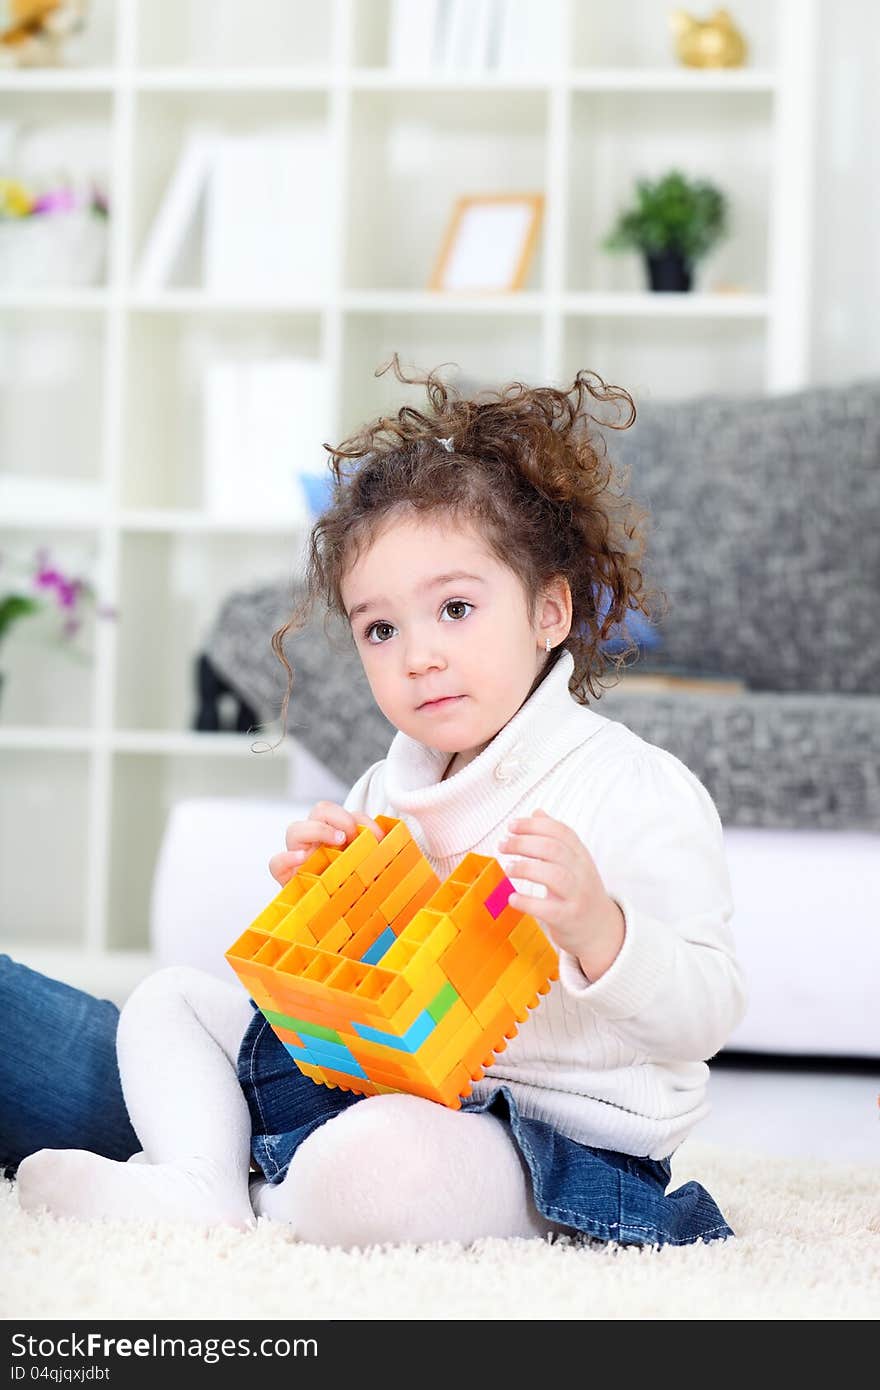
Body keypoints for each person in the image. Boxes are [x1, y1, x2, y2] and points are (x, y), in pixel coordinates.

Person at [15, 357, 748, 1248]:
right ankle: (204, 1184)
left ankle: (258, 1208)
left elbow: (708, 1012)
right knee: (168, 998)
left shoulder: (632, 786)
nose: (418, 656)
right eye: (380, 628)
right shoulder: (386, 786)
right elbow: (351, 1001)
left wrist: (603, 930)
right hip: (375, 1085)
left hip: (547, 1141)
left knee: (384, 1159)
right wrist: (320, 901)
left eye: (456, 608)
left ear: (550, 611)